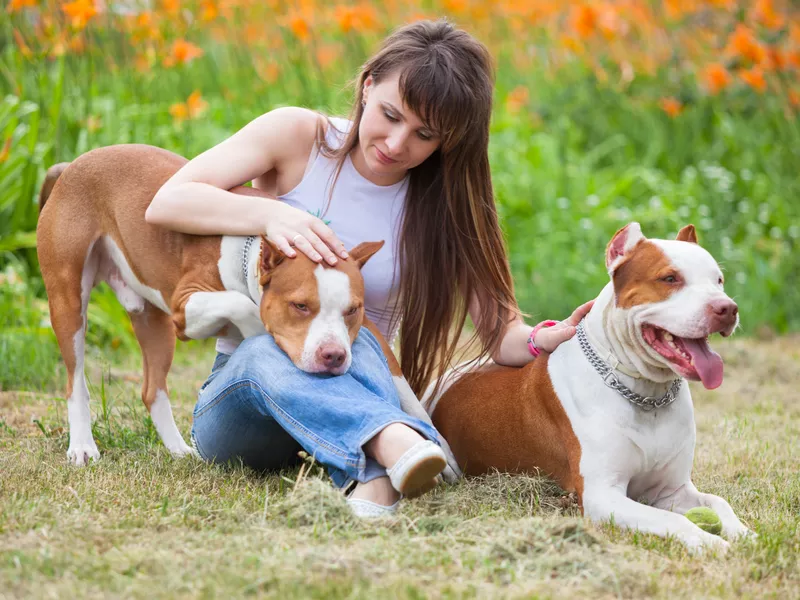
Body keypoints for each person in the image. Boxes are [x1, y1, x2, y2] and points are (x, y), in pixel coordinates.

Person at [146, 19, 591, 517]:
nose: (398, 143)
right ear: (367, 83)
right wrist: (274, 213)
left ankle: (376, 475)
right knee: (260, 352)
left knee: (364, 345)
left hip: (359, 380)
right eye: (389, 115)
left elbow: (501, 334)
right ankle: (392, 447)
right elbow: (168, 202)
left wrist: (542, 341)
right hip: (251, 404)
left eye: (425, 134)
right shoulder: (298, 138)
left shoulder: (447, 208)